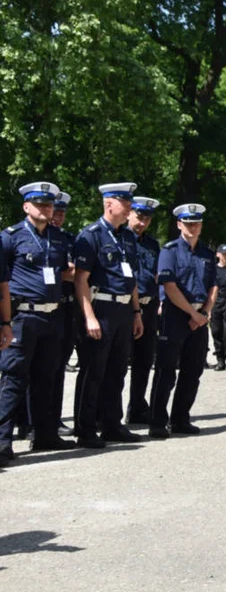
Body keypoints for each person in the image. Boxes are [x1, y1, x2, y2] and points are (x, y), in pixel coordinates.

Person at [0, 182, 75, 463]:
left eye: (50, 204)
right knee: (13, 379)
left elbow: (68, 272)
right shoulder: (10, 237)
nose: (47, 209)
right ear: (26, 207)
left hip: (52, 316)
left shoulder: (59, 238)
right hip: (22, 317)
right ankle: (2, 440)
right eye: (40, 204)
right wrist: (4, 322)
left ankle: (44, 435)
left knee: (48, 379)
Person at [72, 182, 144, 447]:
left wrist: (136, 311)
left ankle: (112, 424)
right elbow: (81, 280)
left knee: (117, 371)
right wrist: (89, 316)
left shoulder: (127, 237)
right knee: (94, 371)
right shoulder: (90, 235)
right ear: (110, 204)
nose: (129, 210)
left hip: (124, 309)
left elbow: (132, 277)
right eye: (126, 204)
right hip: (100, 307)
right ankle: (86, 428)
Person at [148, 204, 217, 439]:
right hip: (176, 315)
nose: (193, 227)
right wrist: (192, 314)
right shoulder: (170, 250)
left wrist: (204, 313)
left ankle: (180, 419)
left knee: (193, 371)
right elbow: (169, 286)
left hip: (200, 317)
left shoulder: (208, 254)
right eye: (188, 223)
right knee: (166, 371)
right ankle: (157, 421)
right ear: (179, 225)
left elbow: (214, 286)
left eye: (196, 223)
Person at [126, 196, 161, 424]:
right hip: (124, 307)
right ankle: (103, 412)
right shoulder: (121, 239)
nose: (142, 222)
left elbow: (157, 275)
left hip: (149, 306)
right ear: (129, 213)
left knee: (144, 360)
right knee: (116, 363)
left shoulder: (152, 244)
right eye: (139, 217)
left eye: (147, 218)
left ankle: (137, 406)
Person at [51, 192, 77, 436]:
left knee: (59, 366)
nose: (57, 217)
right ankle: (26, 419)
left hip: (66, 307)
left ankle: (53, 417)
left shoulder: (68, 240)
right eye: (54, 211)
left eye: (61, 213)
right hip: (43, 306)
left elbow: (77, 272)